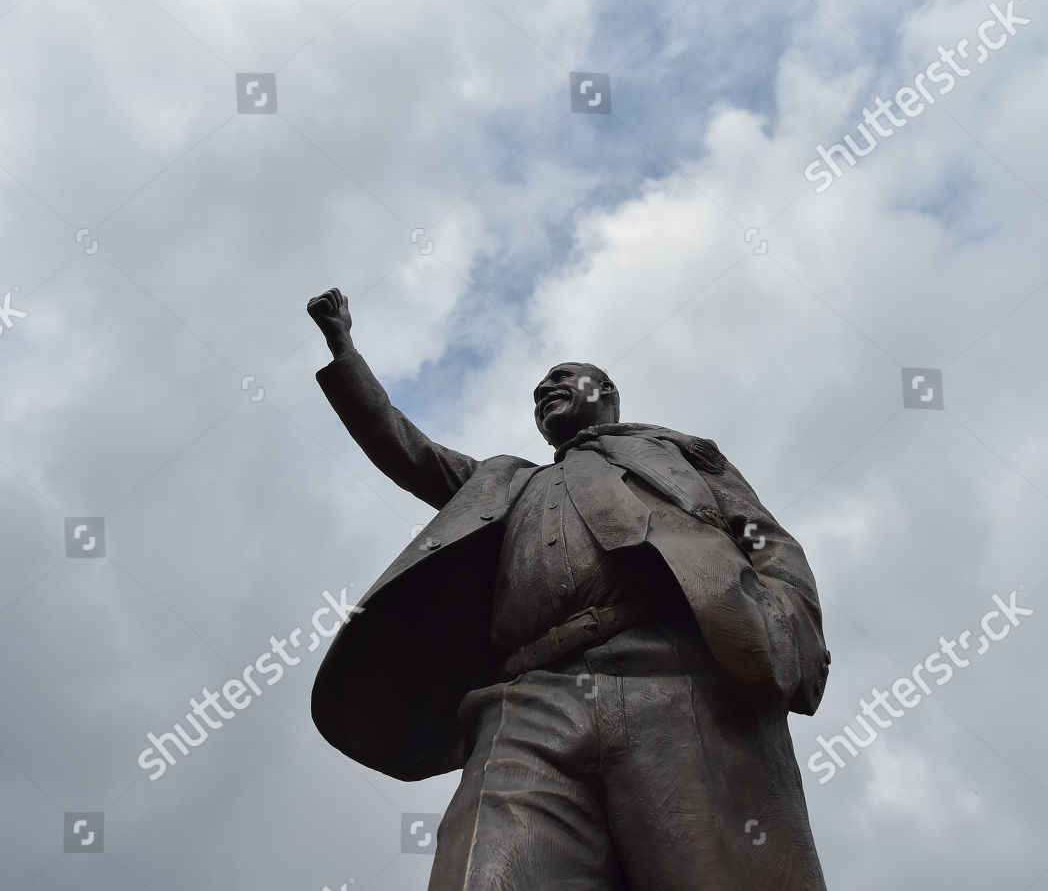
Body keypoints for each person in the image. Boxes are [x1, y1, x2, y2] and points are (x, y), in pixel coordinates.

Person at [307, 286, 830, 890]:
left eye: (562, 378)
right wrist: (345, 351)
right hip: (526, 702)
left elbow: (763, 537)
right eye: (536, 394)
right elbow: (405, 448)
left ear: (604, 393)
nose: (545, 392)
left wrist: (787, 622)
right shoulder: (502, 482)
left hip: (676, 683)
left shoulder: (677, 455)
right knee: (485, 873)